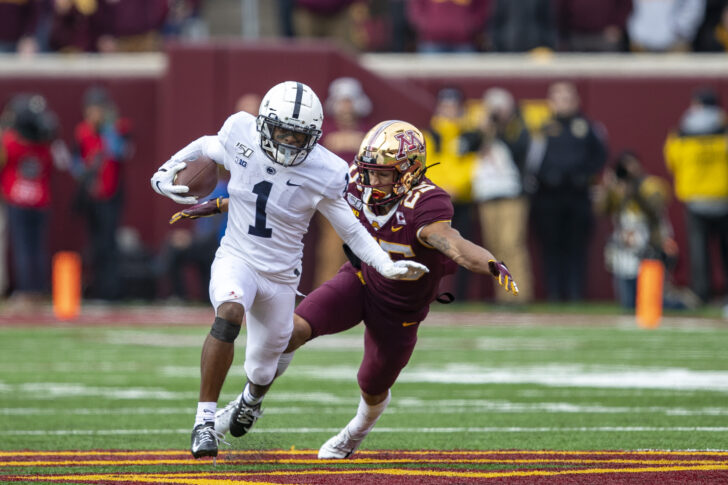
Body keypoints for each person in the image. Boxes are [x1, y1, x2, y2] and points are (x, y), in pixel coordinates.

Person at [206, 120, 518, 458]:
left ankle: (355, 431)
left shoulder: (424, 203)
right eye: (369, 172)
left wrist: (489, 263)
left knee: (372, 385)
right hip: (359, 280)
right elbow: (289, 199)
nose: (372, 181)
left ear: (410, 172)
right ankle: (249, 400)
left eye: (384, 174)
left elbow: (451, 242)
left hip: (401, 310)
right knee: (289, 331)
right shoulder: (354, 181)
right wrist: (224, 204)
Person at [150, 81, 428, 459]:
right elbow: (206, 145)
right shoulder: (240, 130)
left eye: (298, 137)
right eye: (281, 131)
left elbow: (350, 228)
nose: (287, 142)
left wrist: (386, 265)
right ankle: (203, 423)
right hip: (237, 257)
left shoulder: (326, 170)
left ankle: (251, 399)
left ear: (313, 137)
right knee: (229, 312)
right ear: (265, 124)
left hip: (281, 277)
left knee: (263, 368)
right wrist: (166, 171)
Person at [527, 81, 607, 302]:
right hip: (548, 196)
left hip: (577, 195)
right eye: (559, 98)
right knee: (551, 247)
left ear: (577, 101)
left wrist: (584, 175)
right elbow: (531, 161)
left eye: (568, 98)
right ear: (551, 102)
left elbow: (600, 156)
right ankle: (553, 293)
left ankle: (575, 294)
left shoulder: (589, 127)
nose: (564, 103)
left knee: (576, 247)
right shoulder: (541, 128)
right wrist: (545, 176)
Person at [464, 88, 534, 303]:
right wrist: (483, 129)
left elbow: (520, 150)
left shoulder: (517, 127)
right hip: (487, 194)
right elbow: (465, 146)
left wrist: (499, 128)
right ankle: (503, 295)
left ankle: (518, 295)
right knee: (494, 247)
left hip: (512, 195)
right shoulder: (480, 129)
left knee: (511, 243)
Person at [0, 93, 69, 308]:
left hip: (19, 200)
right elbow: (62, 163)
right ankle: (36, 290)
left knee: (24, 248)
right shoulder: (45, 146)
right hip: (39, 201)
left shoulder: (11, 142)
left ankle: (27, 292)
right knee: (36, 248)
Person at [664, 87, 728, 303]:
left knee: (699, 251)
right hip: (723, 196)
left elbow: (672, 160)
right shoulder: (724, 129)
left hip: (695, 197)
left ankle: (702, 293)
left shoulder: (681, 133)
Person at [72, 86, 133, 301]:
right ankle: (97, 289)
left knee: (109, 243)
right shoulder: (82, 131)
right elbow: (76, 163)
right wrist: (84, 170)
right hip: (92, 196)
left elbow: (122, 152)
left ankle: (111, 291)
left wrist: (108, 131)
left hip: (111, 195)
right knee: (95, 244)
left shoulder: (117, 128)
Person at [314, 77, 372, 288]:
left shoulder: (368, 131)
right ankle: (324, 296)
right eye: (342, 101)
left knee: (368, 251)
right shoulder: (324, 131)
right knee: (331, 251)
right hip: (332, 199)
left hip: (364, 200)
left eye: (349, 101)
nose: (346, 107)